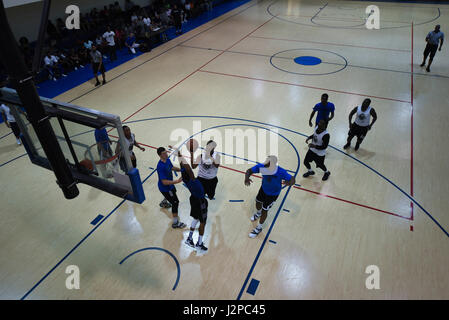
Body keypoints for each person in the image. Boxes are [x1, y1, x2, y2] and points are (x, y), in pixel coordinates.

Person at [244, 155, 295, 238]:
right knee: (257, 202)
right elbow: (249, 171)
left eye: (268, 163)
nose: (265, 164)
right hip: (263, 189)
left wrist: (290, 183)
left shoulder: (280, 171)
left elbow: (292, 179)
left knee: (265, 210)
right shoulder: (262, 166)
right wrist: (246, 178)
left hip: (273, 194)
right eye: (266, 161)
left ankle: (259, 228)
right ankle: (258, 213)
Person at [179, 152, 209, 251]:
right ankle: (199, 244)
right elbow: (189, 169)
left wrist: (180, 156)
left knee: (195, 218)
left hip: (193, 199)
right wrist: (181, 156)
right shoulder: (193, 180)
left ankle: (189, 239)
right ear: (190, 174)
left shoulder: (185, 179)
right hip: (200, 201)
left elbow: (185, 168)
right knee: (203, 223)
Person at [156, 146, 187, 229]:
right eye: (163, 153)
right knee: (175, 202)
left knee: (173, 192)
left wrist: (180, 170)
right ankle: (175, 223)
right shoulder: (160, 166)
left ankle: (164, 202)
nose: (166, 154)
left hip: (170, 186)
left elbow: (171, 167)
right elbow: (164, 182)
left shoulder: (167, 160)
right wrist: (176, 181)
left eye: (166, 152)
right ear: (160, 155)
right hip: (165, 188)